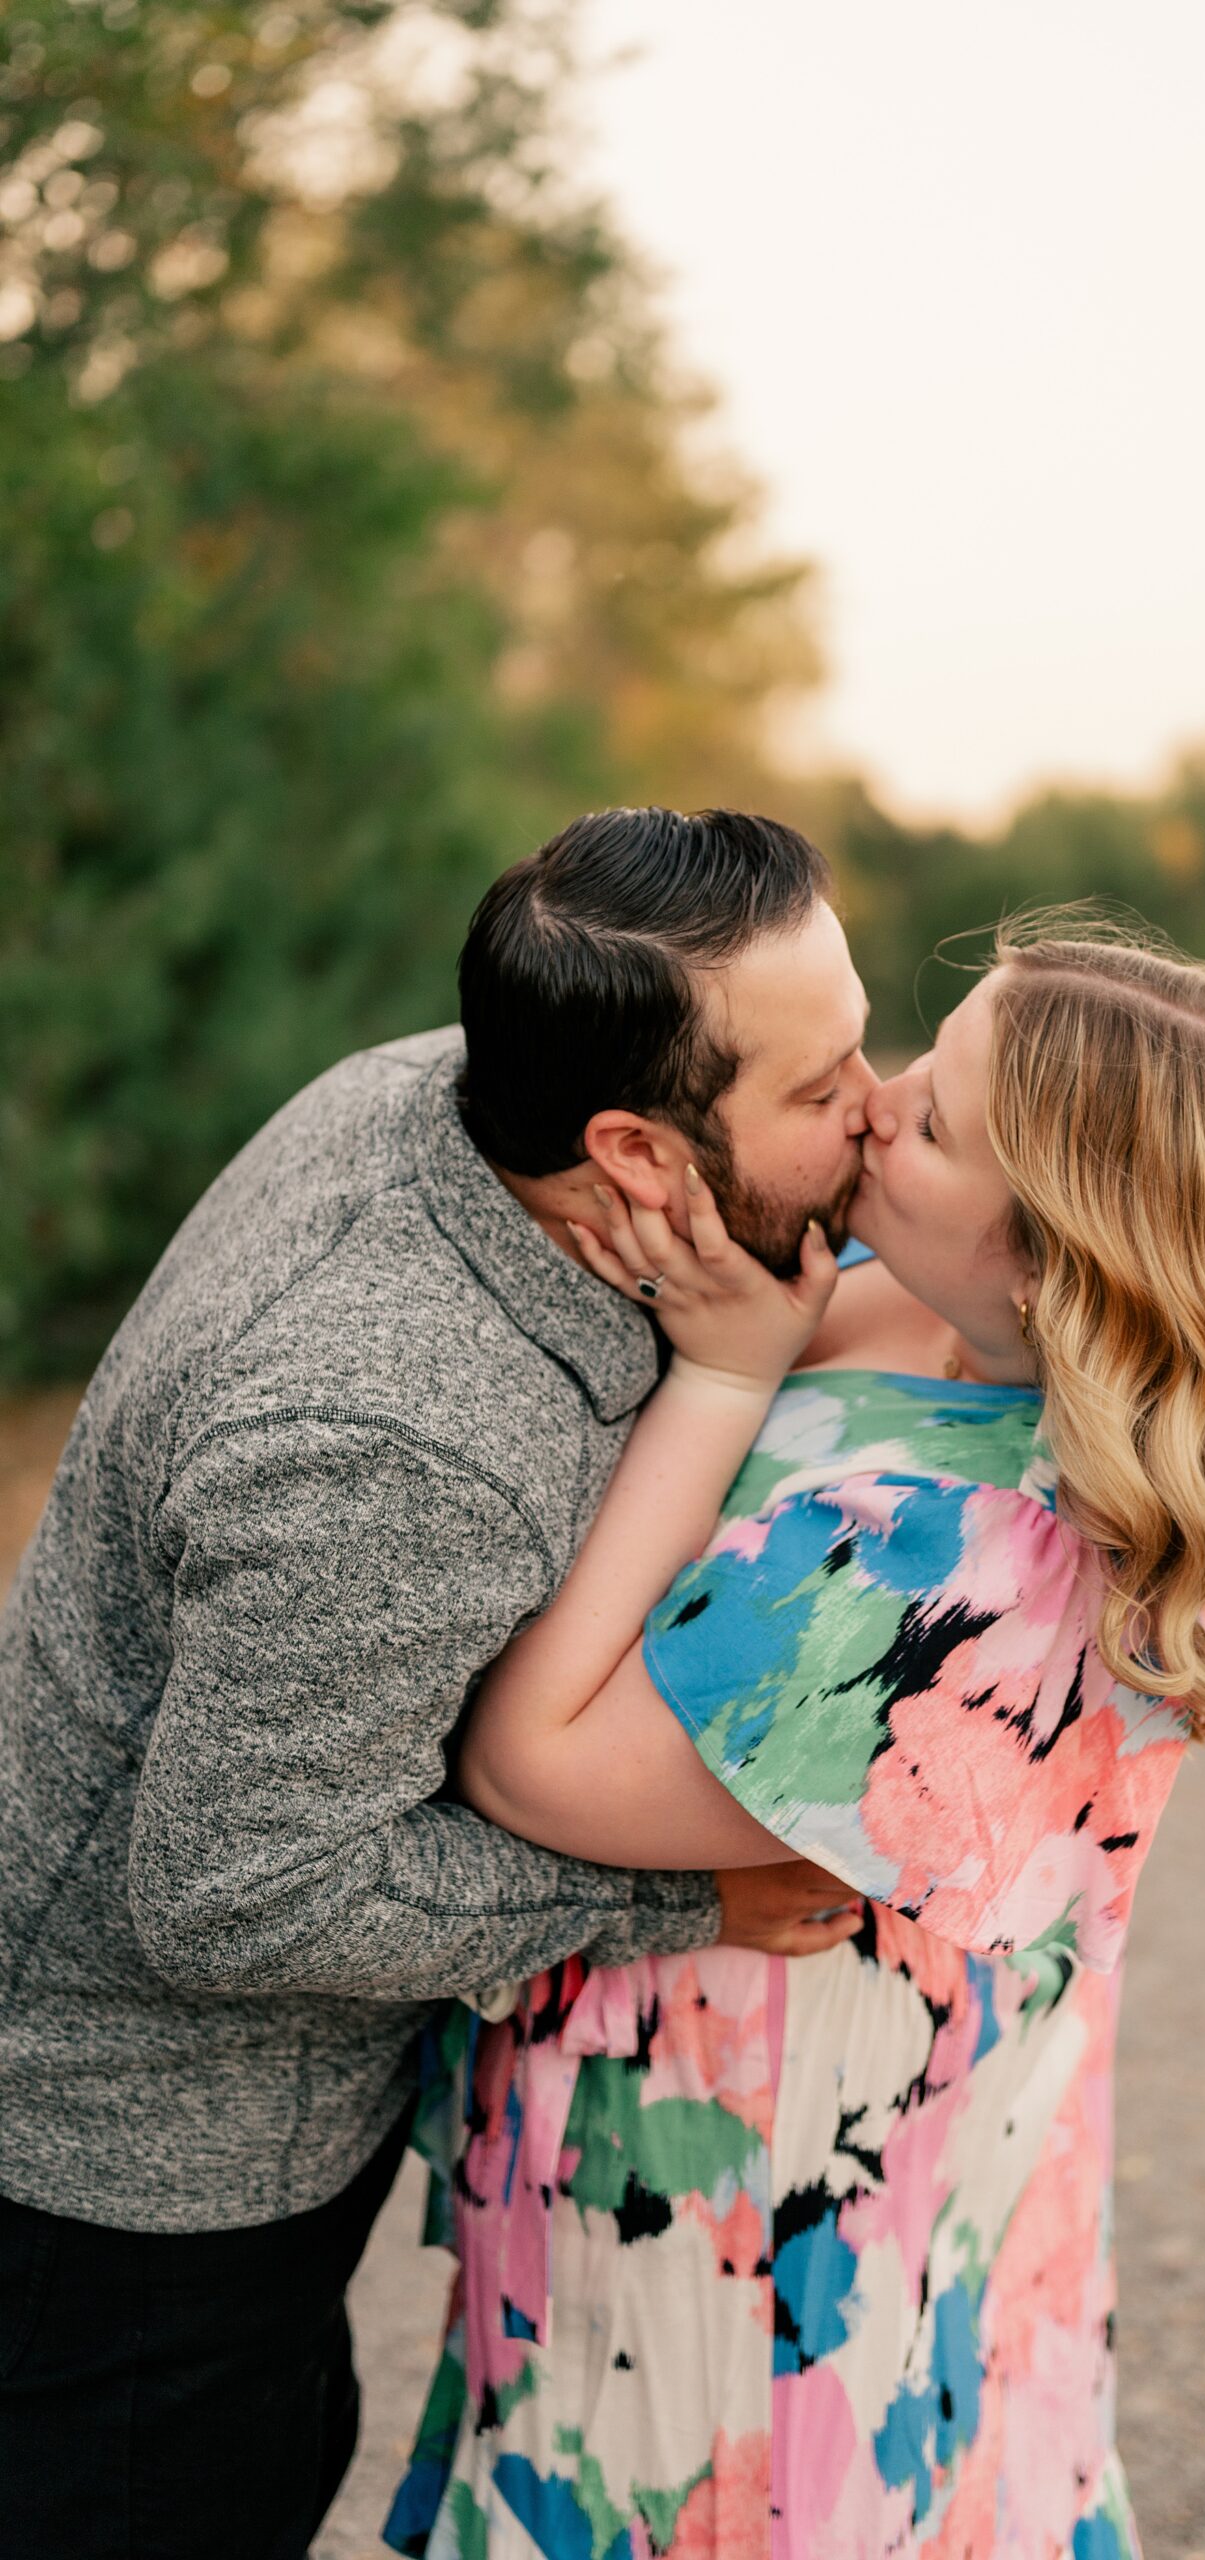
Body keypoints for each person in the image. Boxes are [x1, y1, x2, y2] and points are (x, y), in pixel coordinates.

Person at [386, 925, 1205, 2558]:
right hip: (759, 2106)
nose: (871, 1101)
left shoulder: (974, 1565)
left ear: (1056, 1266)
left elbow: (529, 1766)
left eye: (934, 1120)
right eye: (919, 1057)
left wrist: (725, 1376)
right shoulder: (924, 1315)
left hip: (764, 2197)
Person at [0, 808, 876, 2560]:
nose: (880, 1102)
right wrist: (678, 1894)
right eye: (825, 1084)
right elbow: (237, 1900)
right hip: (139, 2191)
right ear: (635, 1147)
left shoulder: (445, 1093)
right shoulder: (388, 1437)